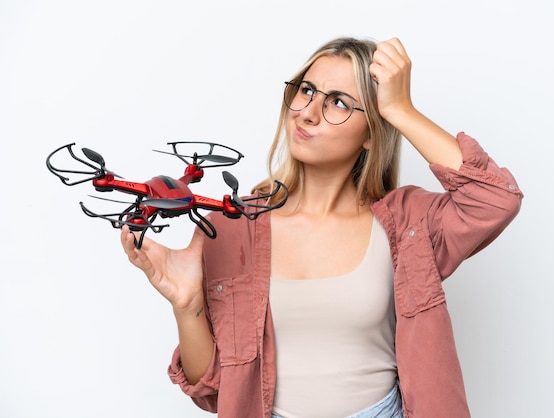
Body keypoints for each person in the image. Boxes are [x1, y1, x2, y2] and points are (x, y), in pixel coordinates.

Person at [120, 36, 523, 418]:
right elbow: (212, 391)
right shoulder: (230, 226)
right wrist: (187, 306)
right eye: (307, 90)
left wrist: (401, 110)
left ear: (371, 132)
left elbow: (494, 200)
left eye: (338, 102)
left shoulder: (408, 224)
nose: (309, 112)